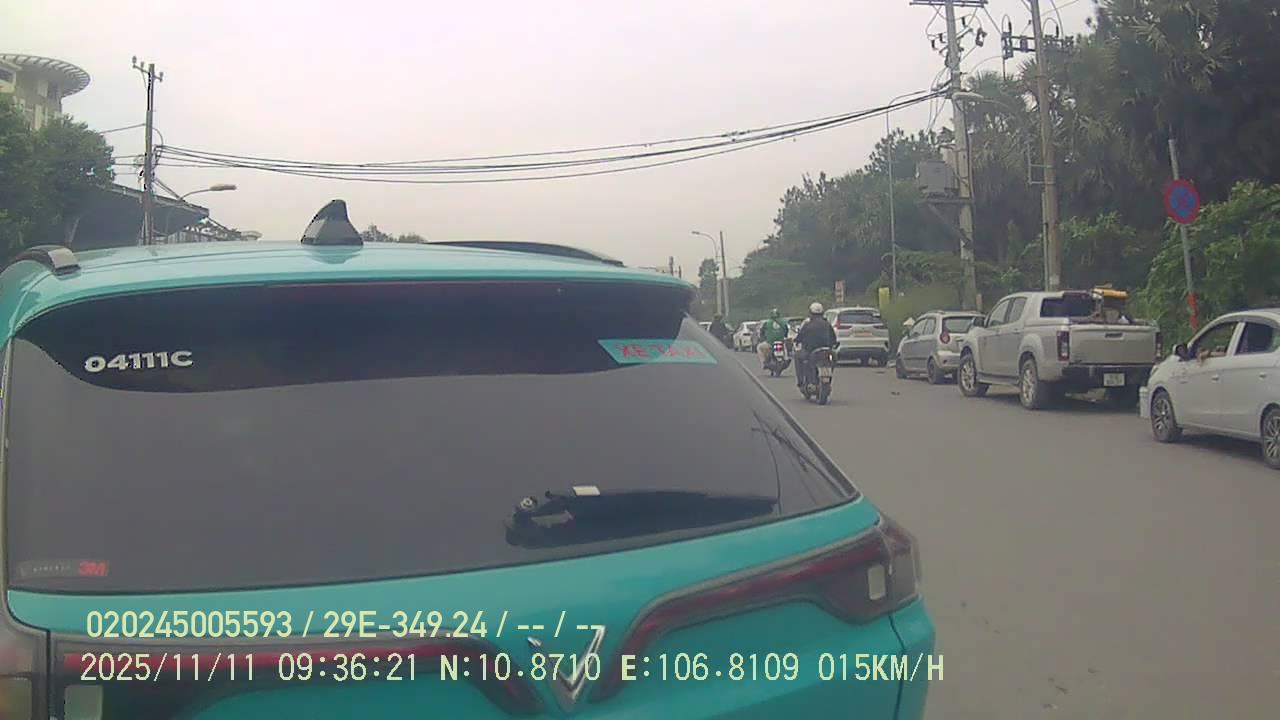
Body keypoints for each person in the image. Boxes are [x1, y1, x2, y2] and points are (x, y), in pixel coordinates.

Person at [793, 302, 837, 387]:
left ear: (811, 313)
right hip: (827, 351)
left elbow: (800, 336)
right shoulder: (827, 324)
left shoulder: (808, 325)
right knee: (833, 361)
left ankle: (801, 381)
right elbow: (833, 338)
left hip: (811, 351)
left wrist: (797, 341)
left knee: (798, 357)